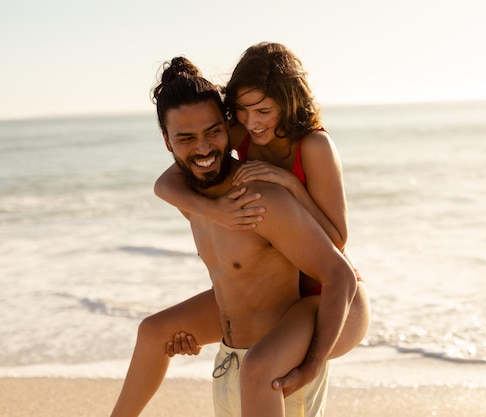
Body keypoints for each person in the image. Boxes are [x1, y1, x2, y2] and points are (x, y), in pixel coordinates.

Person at [110, 43, 370, 417]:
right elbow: (165, 182)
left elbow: (338, 250)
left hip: (325, 291)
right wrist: (211, 209)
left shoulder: (308, 150)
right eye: (244, 113)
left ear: (288, 102)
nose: (253, 122)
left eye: (263, 111)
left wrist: (292, 187)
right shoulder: (218, 173)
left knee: (259, 368)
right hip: (283, 290)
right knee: (154, 332)